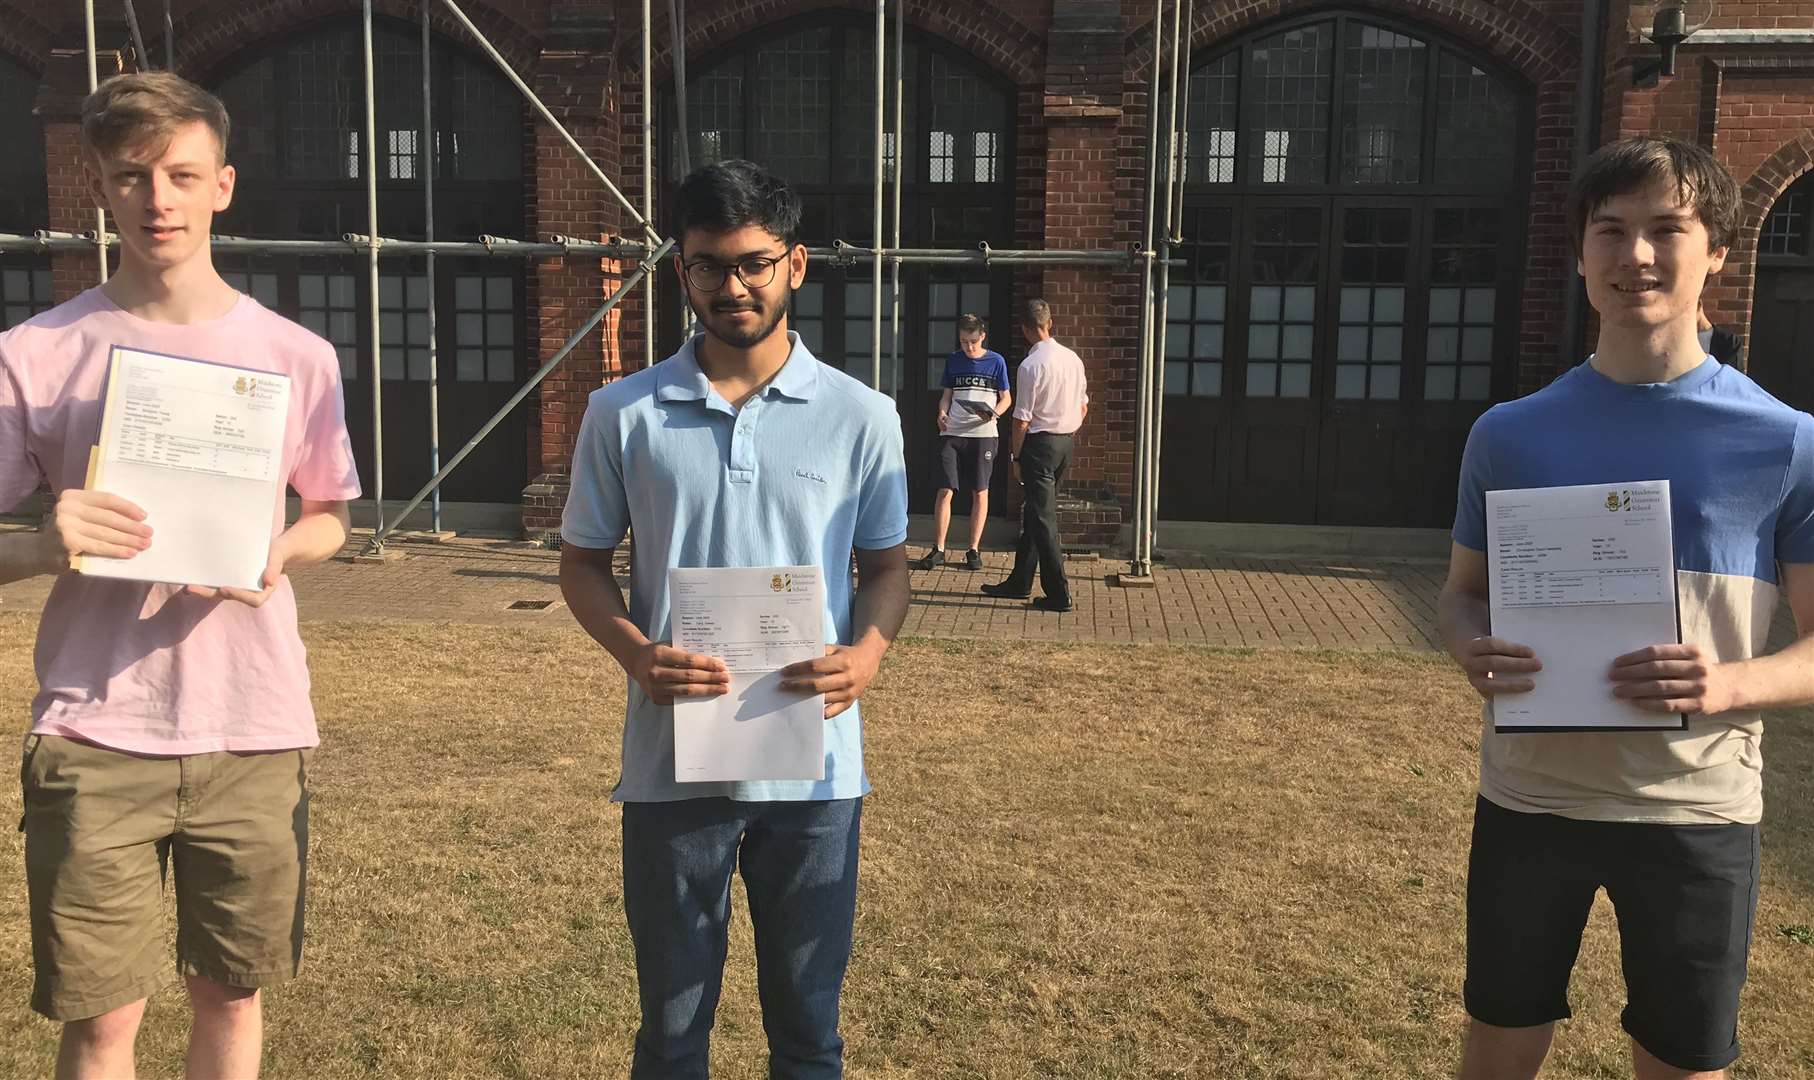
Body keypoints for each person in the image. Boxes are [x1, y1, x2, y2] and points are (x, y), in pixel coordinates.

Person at [0, 73, 359, 1078]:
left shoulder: (296, 356)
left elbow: (331, 513)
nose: (159, 198)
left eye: (182, 174)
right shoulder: (35, 353)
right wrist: (42, 540)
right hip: (94, 727)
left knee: (231, 997)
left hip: (252, 724)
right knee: (103, 1020)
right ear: (102, 190)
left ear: (223, 187)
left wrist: (276, 552)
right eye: (133, 175)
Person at [1439, 136, 1814, 1080]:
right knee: (1501, 1044)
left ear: (1717, 252)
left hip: (1695, 806)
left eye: (1665, 229)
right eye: (1610, 230)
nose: (1634, 254)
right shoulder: (1508, 434)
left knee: (1684, 1063)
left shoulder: (1787, 444)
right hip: (1531, 797)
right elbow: (1460, 596)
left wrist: (1727, 684)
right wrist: (1470, 648)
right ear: (1579, 255)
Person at [558, 159, 910, 1079]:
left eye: (755, 262)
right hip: (674, 764)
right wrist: (638, 655)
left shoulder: (862, 417)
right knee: (672, 1033)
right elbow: (582, 565)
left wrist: (868, 653)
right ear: (681, 270)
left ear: (797, 265)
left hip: (818, 770)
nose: (734, 284)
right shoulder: (621, 413)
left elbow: (886, 570)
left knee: (809, 1032)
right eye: (710, 264)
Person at [981, 299, 1087, 612]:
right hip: (1065, 441)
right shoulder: (1073, 359)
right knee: (1035, 513)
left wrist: (1016, 456)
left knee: (1043, 519)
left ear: (1025, 329)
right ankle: (1020, 581)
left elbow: (1022, 418)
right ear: (1050, 323)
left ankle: (1059, 593)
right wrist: (1067, 429)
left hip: (1040, 444)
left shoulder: (1031, 366)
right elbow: (1083, 405)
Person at [914, 313, 1011, 572]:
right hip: (953, 433)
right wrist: (941, 413)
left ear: (983, 336)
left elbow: (1006, 398)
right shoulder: (954, 360)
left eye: (973, 342)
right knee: (945, 489)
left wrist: (994, 414)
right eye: (963, 342)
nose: (968, 347)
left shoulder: (996, 361)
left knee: (980, 490)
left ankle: (973, 549)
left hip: (983, 433)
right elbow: (947, 395)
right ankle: (939, 548)